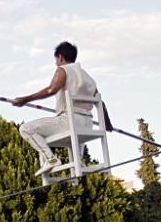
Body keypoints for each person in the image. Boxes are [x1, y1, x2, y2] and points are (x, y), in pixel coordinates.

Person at [11, 41, 101, 176]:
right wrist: (108, 124)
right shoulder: (88, 77)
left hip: (68, 123)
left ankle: (50, 159)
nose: (56, 63)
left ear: (60, 57)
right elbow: (100, 102)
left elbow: (51, 90)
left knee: (26, 129)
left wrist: (25, 99)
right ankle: (79, 162)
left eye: (56, 60)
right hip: (87, 125)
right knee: (68, 133)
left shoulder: (63, 69)